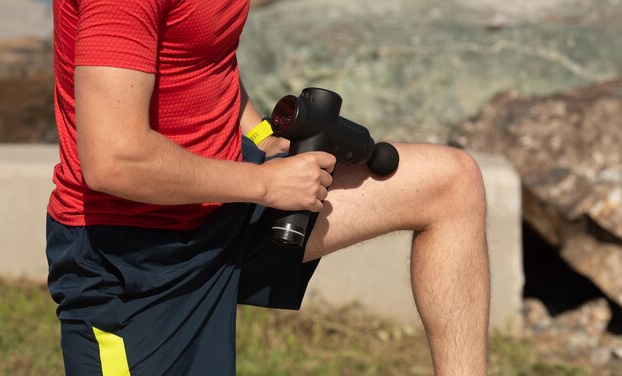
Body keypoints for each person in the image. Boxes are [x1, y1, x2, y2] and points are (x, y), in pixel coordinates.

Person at [46, 0, 490, 375]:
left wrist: (262, 137)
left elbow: (199, 52)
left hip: (227, 202)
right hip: (134, 254)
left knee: (450, 182)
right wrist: (263, 183)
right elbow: (112, 161)